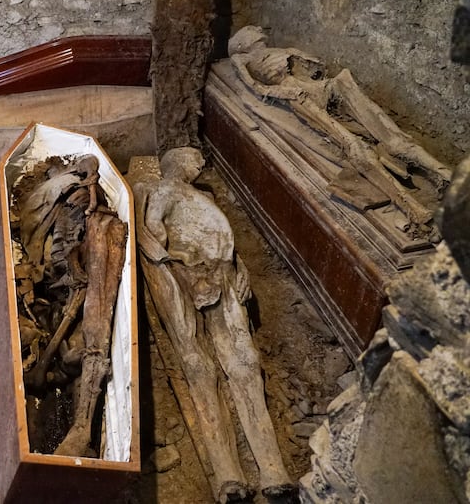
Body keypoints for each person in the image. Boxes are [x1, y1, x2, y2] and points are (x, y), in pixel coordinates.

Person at [134, 147, 293, 501]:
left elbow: (223, 239)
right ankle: (227, 475)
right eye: (194, 159)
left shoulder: (200, 196)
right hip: (184, 277)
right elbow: (155, 237)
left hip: (219, 275)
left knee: (246, 363)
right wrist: (186, 271)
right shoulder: (157, 190)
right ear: (176, 163)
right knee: (198, 366)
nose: (201, 164)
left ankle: (272, 468)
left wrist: (239, 268)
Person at [229, 25, 452, 239]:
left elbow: (316, 68)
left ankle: (447, 176)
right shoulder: (242, 58)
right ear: (241, 43)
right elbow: (254, 87)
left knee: (394, 139)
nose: (257, 30)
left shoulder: (279, 50)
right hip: (299, 97)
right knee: (356, 148)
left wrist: (303, 61)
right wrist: (286, 93)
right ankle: (413, 209)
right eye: (251, 30)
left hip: (328, 86)